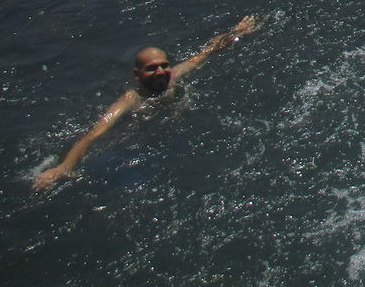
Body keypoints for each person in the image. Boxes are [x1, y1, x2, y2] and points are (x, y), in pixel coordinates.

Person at [32, 15, 257, 191]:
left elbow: (203, 54)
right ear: (137, 74)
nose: (160, 71)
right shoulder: (130, 101)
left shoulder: (173, 77)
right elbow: (92, 135)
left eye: (163, 65)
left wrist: (235, 33)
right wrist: (64, 167)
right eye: (152, 68)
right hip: (133, 144)